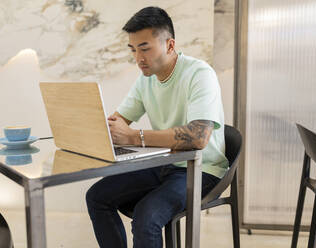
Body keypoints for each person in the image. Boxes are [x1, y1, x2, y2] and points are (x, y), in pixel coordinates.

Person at [86, 6, 228, 248]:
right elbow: (119, 120)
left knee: (146, 217)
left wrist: (133, 137)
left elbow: (198, 137)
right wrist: (107, 127)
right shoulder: (146, 79)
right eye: (133, 49)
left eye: (145, 48)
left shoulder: (199, 73)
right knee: (97, 197)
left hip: (201, 169)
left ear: (170, 45)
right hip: (163, 163)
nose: (138, 58)